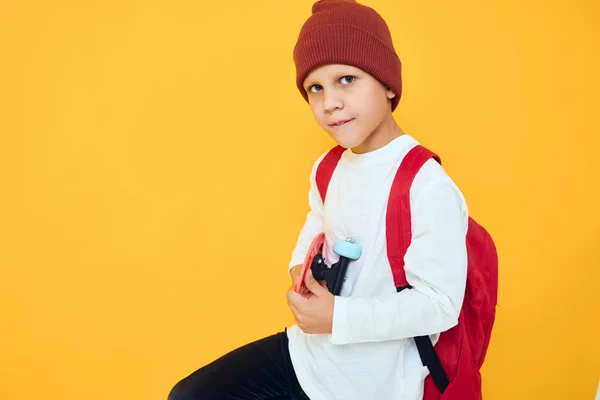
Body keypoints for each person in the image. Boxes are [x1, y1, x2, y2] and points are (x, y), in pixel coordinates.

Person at [167, 1, 469, 399]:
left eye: (346, 79)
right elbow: (319, 218)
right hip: (306, 356)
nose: (329, 103)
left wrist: (338, 317)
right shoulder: (328, 167)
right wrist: (299, 267)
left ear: (388, 83)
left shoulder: (426, 185)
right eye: (316, 88)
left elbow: (439, 305)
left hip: (370, 384)